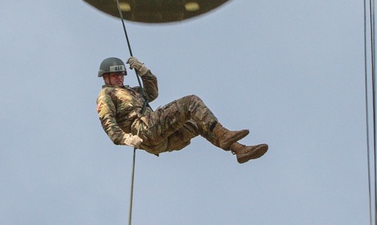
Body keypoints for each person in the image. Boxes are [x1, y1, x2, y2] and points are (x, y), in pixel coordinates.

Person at [96, 57, 268, 163]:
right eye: (115, 75)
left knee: (197, 121)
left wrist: (144, 71)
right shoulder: (106, 94)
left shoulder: (132, 91)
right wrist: (125, 139)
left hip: (160, 140)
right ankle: (223, 134)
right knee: (190, 102)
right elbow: (108, 122)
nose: (119, 78)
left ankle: (239, 149)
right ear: (106, 77)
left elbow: (152, 93)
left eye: (121, 74)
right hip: (143, 131)